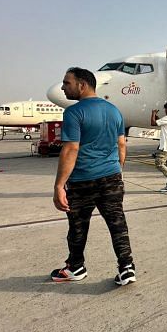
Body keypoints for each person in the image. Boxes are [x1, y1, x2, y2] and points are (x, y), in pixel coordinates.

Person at [51, 67, 136, 286]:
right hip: (112, 178)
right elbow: (121, 144)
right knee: (118, 224)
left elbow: (71, 149)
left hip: (82, 181)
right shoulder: (114, 110)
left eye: (66, 83)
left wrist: (59, 185)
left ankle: (76, 267)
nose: (63, 87)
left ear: (82, 84)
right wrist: (117, 170)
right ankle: (126, 267)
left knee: (78, 227)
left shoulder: (73, 112)